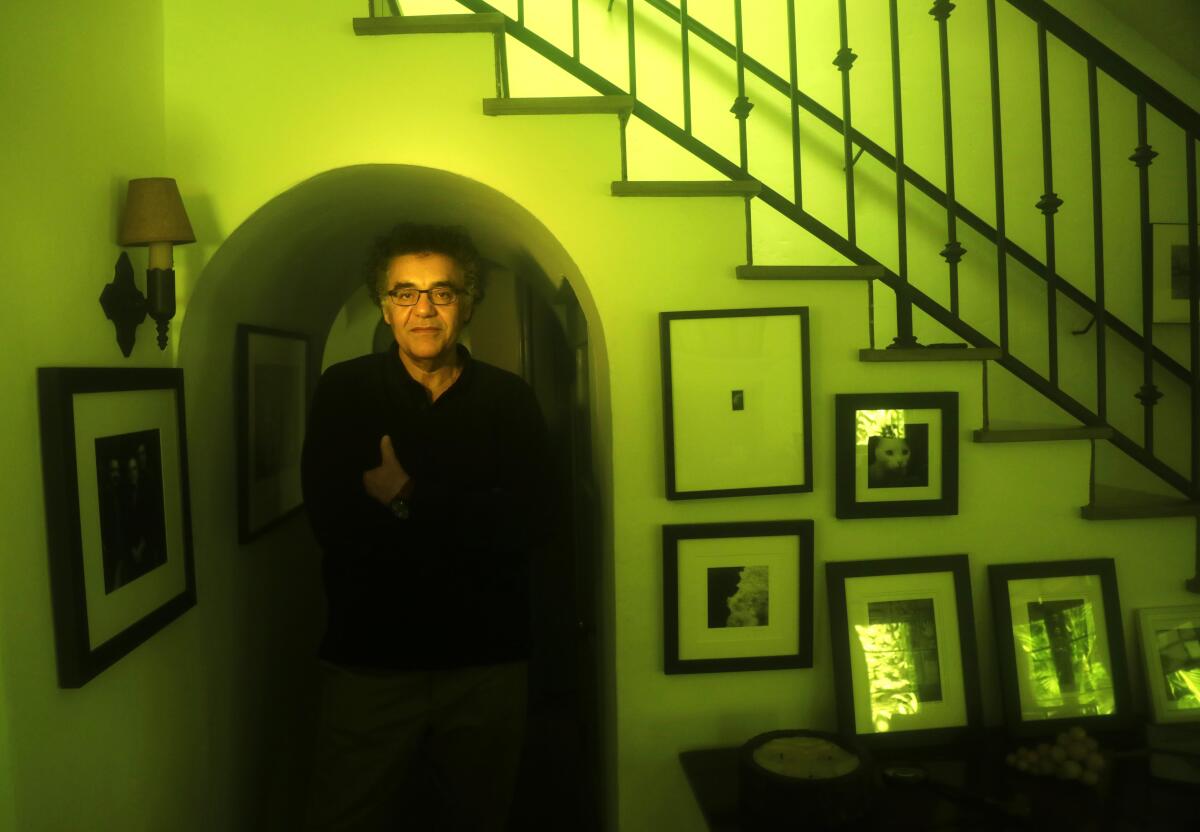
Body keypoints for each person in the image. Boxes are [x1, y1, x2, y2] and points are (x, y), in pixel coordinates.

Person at [300, 222, 552, 831]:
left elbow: (528, 524)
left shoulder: (510, 399)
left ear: (467, 304)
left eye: (442, 292)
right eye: (405, 293)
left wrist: (407, 495)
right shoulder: (345, 393)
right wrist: (470, 516)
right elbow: (337, 525)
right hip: (371, 663)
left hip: (486, 663)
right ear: (384, 308)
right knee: (346, 815)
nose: (424, 309)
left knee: (477, 815)